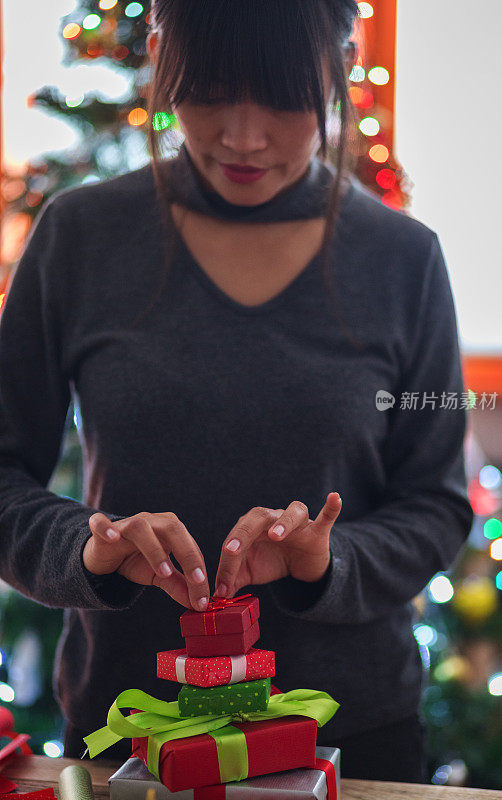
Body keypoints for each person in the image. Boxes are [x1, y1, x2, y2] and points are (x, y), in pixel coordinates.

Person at [0, 0, 474, 784]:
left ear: (337, 70)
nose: (242, 137)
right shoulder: (79, 238)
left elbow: (436, 502)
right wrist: (85, 549)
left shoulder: (403, 260)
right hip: (131, 730)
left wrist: (328, 562)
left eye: (284, 99)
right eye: (210, 91)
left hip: (352, 732)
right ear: (159, 59)